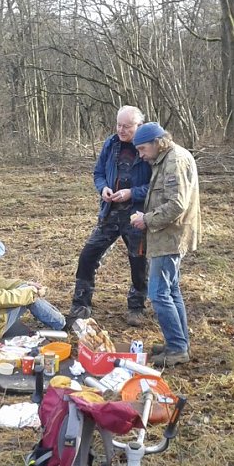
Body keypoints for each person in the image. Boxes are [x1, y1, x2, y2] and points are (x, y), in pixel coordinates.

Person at [69, 105, 152, 327]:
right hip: (109, 213)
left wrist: (132, 193)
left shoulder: (148, 147)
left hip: (136, 215)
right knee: (88, 255)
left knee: (138, 261)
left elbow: (156, 186)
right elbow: (98, 173)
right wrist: (103, 188)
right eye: (118, 125)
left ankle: (136, 307)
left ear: (139, 126)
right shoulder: (111, 144)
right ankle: (81, 304)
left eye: (127, 126)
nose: (121, 130)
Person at [130, 123, 200, 366]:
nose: (141, 154)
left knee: (158, 293)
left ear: (158, 141)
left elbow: (177, 204)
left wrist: (146, 219)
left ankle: (178, 348)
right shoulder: (167, 157)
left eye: (142, 148)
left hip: (169, 236)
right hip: (169, 235)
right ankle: (178, 343)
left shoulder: (174, 161)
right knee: (171, 290)